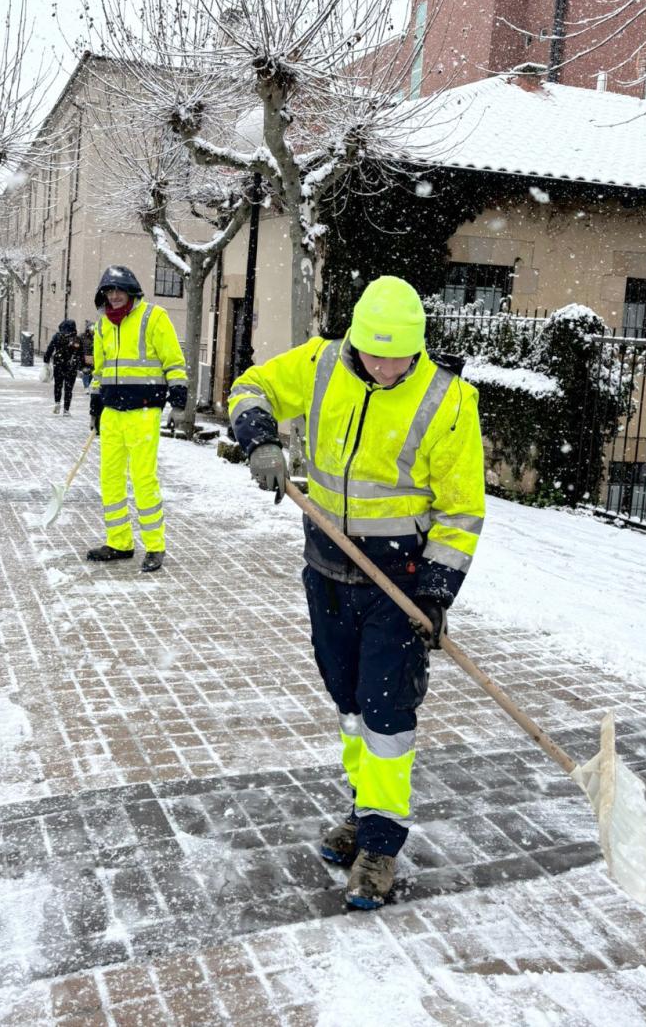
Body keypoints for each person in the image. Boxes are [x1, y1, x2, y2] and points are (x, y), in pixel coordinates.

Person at [228, 275, 485, 910]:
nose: (385, 367)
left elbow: (461, 512)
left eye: (398, 356)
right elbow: (249, 386)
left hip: (396, 583)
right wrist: (260, 438)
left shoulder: (448, 401)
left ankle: (379, 844)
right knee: (348, 705)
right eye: (374, 353)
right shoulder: (320, 364)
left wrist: (435, 593)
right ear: (354, 340)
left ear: (418, 348)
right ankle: (361, 807)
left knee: (387, 714)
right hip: (327, 569)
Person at [87, 265, 188, 572]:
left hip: (144, 410)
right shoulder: (103, 325)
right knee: (110, 479)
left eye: (119, 290)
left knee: (144, 479)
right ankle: (119, 542)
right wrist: (95, 402)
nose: (114, 297)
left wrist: (179, 394)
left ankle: (155, 545)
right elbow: (100, 370)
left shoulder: (153, 317)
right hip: (112, 413)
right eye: (109, 291)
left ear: (131, 291)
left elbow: (173, 359)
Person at [43, 319, 85, 415]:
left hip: (59, 365)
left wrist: (46, 360)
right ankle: (66, 409)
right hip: (71, 366)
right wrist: (81, 366)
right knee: (68, 389)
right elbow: (81, 353)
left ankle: (57, 403)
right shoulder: (77, 339)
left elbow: (50, 349)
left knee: (58, 385)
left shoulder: (57, 336)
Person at [80, 320, 95, 392]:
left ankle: (87, 385)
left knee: (92, 373)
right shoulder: (82, 336)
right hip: (85, 356)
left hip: (94, 357)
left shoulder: (96, 336)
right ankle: (86, 387)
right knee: (86, 372)